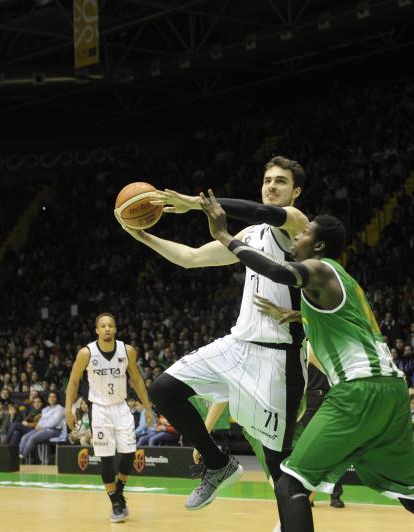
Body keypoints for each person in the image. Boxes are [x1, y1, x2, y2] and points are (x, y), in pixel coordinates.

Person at [199, 191, 414, 531]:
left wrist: (223, 234)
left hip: (359, 390)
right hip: (392, 391)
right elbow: (339, 320)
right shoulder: (344, 281)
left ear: (319, 246)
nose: (298, 235)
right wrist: (296, 314)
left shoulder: (318, 269)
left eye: (305, 232)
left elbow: (275, 271)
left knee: (290, 484)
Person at [118, 156, 309, 515]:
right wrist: (141, 234)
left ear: (296, 191)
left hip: (280, 359)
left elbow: (257, 211)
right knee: (164, 389)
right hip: (239, 345)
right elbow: (191, 258)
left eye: (280, 181)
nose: (271, 186)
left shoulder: (298, 224)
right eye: (267, 180)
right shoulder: (250, 236)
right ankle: (218, 463)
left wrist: (194, 204)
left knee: (277, 464)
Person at [65, 313, 154, 523]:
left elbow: (137, 380)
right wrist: (68, 408)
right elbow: (74, 380)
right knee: (106, 458)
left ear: (115, 329)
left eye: (110, 325)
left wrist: (148, 408)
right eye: (103, 326)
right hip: (100, 410)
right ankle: (115, 502)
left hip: (122, 407)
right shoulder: (86, 353)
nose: (107, 329)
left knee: (129, 454)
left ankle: (119, 491)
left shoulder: (127, 350)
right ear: (97, 330)